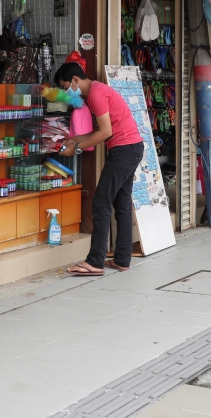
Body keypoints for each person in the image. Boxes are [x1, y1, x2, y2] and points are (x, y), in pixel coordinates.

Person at [55, 62, 144, 276]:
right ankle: (122, 259)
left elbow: (105, 132)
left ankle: (95, 261)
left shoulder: (95, 94)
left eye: (65, 86)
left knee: (101, 202)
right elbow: (100, 130)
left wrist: (75, 148)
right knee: (121, 203)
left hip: (123, 150)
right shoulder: (97, 91)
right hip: (132, 148)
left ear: (75, 80)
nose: (66, 92)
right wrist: (76, 139)